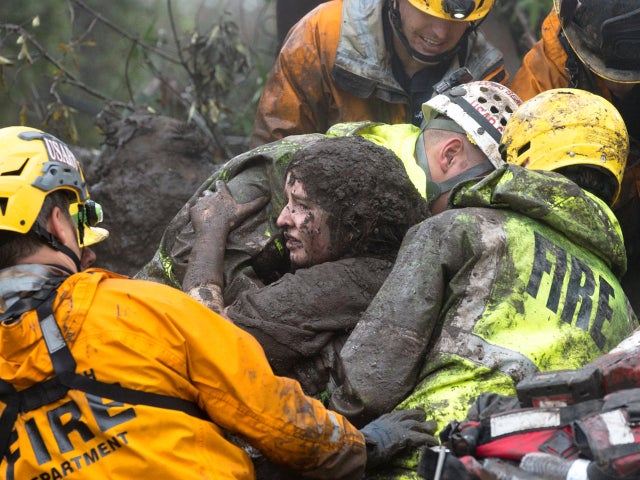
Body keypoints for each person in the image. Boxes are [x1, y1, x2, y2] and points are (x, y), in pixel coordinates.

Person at [0, 126, 438, 479]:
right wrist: (367, 446)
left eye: (299, 205)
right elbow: (269, 412)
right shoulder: (142, 308)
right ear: (60, 224)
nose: (283, 218)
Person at [328, 88, 639, 478]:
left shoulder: (463, 228)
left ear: (517, 157)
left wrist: (323, 439)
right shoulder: (627, 317)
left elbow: (370, 382)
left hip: (427, 460)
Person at [137, 81, 522, 310]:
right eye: (475, 189)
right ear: (450, 154)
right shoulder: (289, 170)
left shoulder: (389, 197)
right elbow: (195, 270)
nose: (474, 205)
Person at [182, 136, 429, 396]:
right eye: (287, 203)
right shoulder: (397, 255)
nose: (282, 219)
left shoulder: (342, 284)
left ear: (352, 221)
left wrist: (210, 230)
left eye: (301, 206)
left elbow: (204, 337)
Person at [508, 0, 640, 311]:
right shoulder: (544, 77)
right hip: (576, 236)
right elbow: (518, 180)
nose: (622, 88)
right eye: (613, 77)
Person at [250, 0, 508, 147]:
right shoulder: (324, 35)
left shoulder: (486, 76)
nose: (440, 33)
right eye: (426, 10)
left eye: (457, 20)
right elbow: (273, 147)